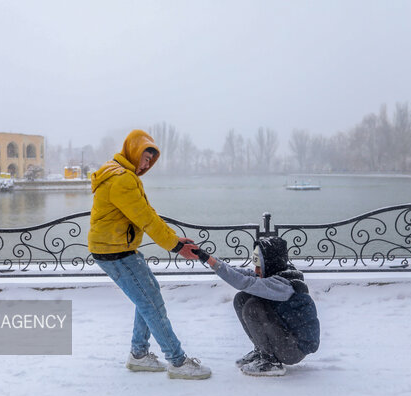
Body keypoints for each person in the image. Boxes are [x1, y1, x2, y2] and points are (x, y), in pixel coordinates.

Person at [88, 129, 211, 380]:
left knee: (149, 296)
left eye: (151, 161)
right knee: (151, 303)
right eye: (145, 158)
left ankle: (139, 355)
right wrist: (176, 247)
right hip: (115, 252)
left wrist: (175, 239)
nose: (147, 164)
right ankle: (177, 362)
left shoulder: (119, 173)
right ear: (133, 151)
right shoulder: (122, 179)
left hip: (115, 248)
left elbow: (146, 214)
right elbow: (146, 219)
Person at [193, 236, 320, 376]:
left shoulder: (282, 285)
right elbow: (241, 274)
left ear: (271, 263)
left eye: (259, 265)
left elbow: (244, 282)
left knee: (253, 307)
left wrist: (210, 261)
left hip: (294, 349)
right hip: (285, 339)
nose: (256, 269)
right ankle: (261, 351)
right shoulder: (276, 273)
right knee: (242, 298)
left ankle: (270, 361)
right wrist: (206, 257)